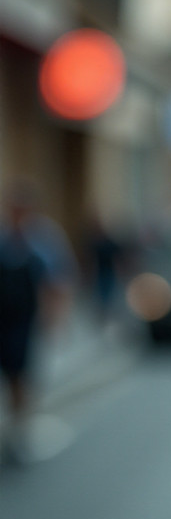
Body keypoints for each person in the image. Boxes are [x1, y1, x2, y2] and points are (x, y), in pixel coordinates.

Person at [0, 180, 74, 462]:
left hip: (24, 321)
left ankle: (19, 429)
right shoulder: (4, 238)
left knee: (21, 375)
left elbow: (58, 282)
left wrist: (55, 320)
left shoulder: (43, 240)